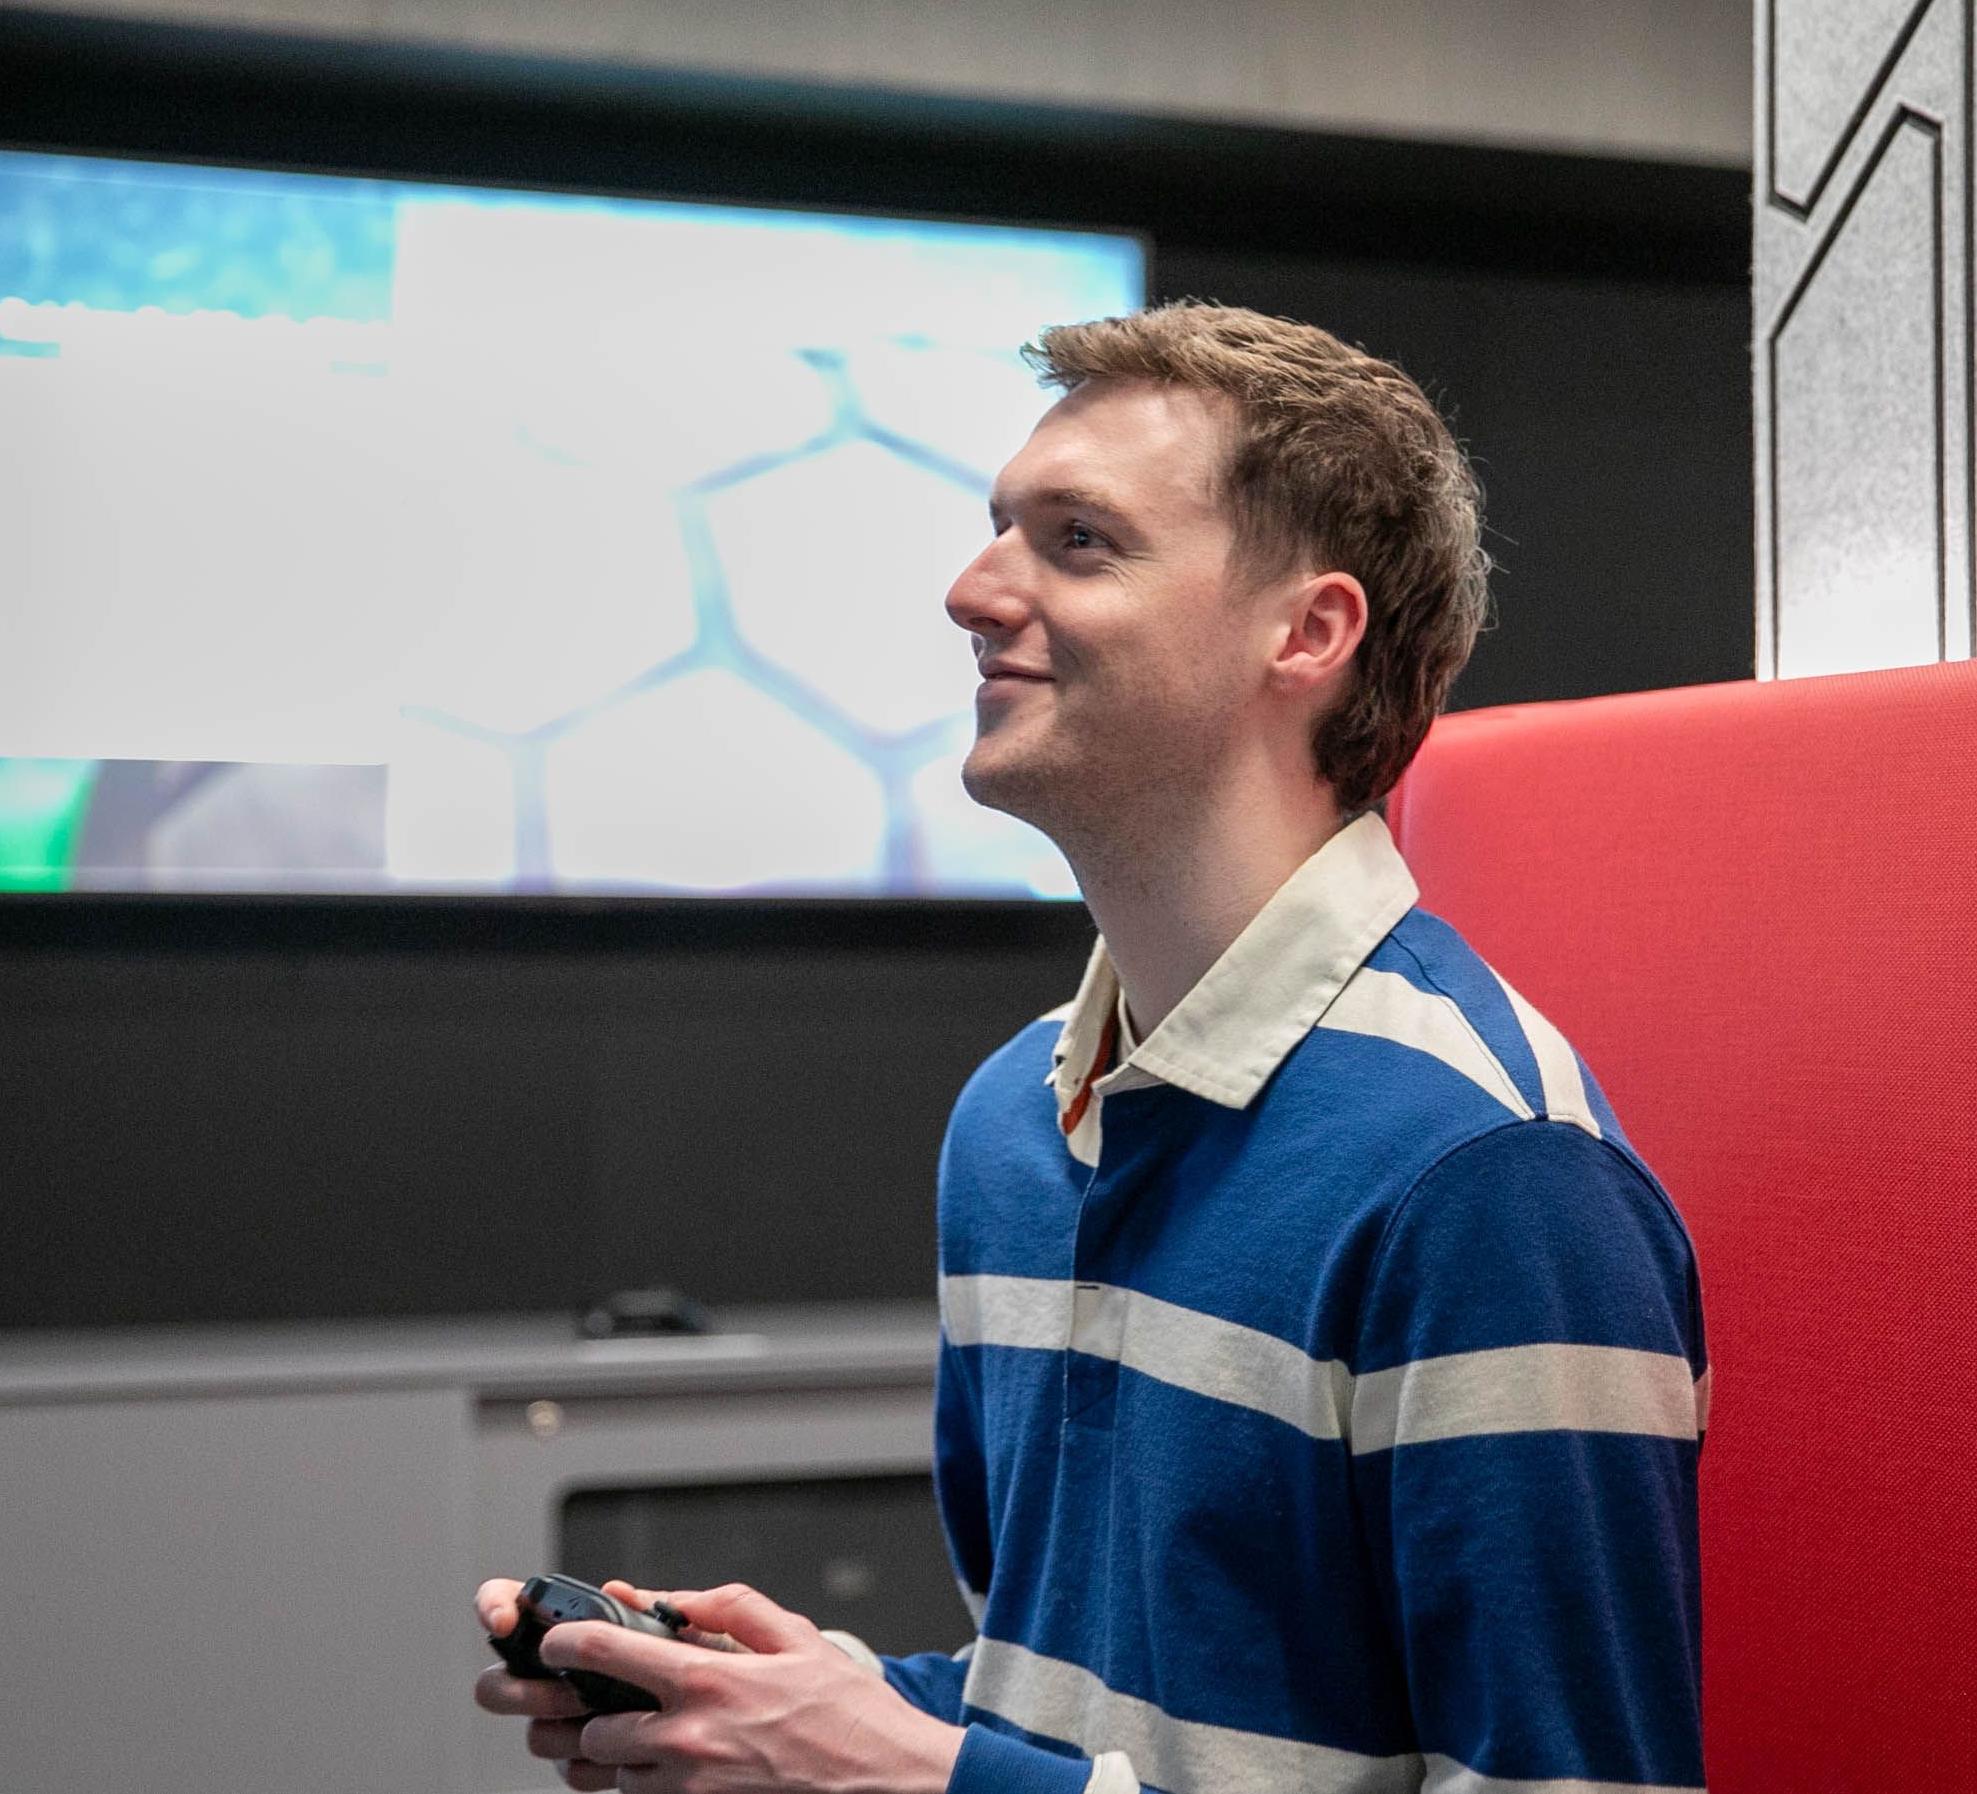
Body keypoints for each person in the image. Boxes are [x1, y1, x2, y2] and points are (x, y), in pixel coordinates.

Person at [475, 304, 1708, 1794]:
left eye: (1077, 541)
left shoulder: (1486, 1179)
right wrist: (816, 1709)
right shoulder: (1018, 1118)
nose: (970, 590)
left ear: (1307, 633)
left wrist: (924, 1776)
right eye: (999, 529)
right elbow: (1086, 1719)